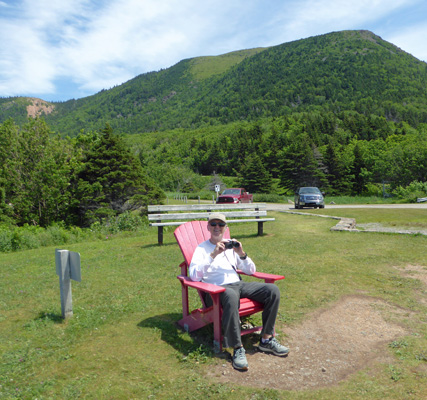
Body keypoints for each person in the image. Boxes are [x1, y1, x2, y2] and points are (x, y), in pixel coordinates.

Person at [189, 212, 289, 370]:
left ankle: (266, 339)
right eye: (213, 224)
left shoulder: (230, 247)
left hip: (238, 284)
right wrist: (213, 254)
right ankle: (237, 348)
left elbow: (251, 270)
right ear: (208, 227)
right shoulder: (201, 249)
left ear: (225, 228)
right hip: (216, 290)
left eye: (220, 225)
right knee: (229, 295)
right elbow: (194, 276)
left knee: (272, 290)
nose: (217, 227)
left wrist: (241, 253)